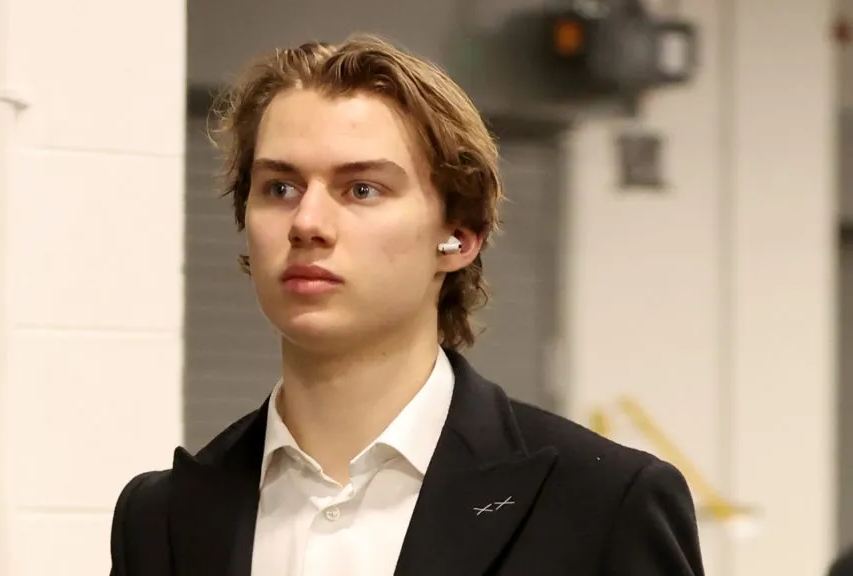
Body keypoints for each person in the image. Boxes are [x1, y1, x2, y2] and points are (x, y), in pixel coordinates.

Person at [109, 34, 705, 576]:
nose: (307, 222)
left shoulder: (601, 504)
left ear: (459, 237)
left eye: (362, 189)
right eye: (280, 189)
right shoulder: (163, 518)